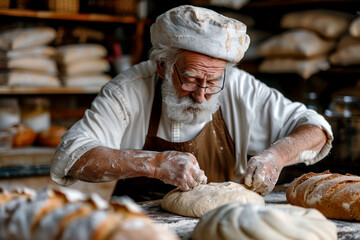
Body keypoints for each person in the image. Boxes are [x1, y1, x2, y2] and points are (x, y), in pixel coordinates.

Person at [50, 5, 333, 201]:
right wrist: (155, 163)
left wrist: (276, 157)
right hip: (141, 228)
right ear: (162, 67)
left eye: (212, 83)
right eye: (190, 79)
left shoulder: (239, 86)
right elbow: (72, 154)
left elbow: (316, 129)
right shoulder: (127, 91)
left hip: (220, 227)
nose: (200, 95)